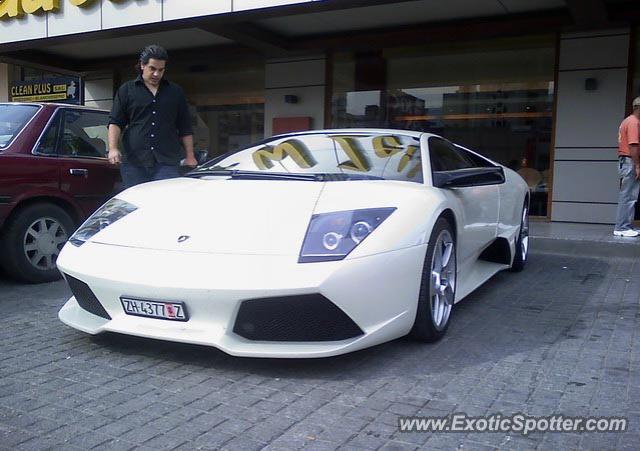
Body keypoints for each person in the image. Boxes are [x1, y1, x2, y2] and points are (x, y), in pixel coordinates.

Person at [108, 44, 197, 188]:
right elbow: (115, 122)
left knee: (163, 201)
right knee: (136, 203)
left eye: (161, 70)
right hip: (134, 162)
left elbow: (185, 126)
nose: (157, 74)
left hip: (167, 161)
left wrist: (190, 155)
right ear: (142, 65)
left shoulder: (175, 92)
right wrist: (113, 148)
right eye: (152, 69)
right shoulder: (127, 90)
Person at [614, 96, 640, 237]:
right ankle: (622, 227)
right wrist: (638, 165)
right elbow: (633, 145)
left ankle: (625, 226)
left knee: (629, 195)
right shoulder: (633, 122)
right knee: (628, 196)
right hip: (630, 161)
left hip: (627, 161)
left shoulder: (628, 121)